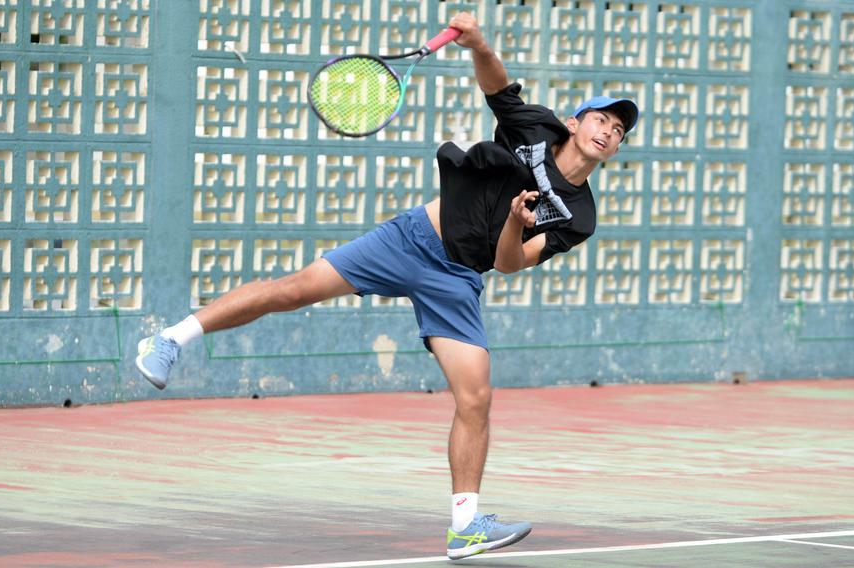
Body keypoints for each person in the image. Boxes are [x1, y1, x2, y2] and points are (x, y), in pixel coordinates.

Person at [136, 12, 637, 560]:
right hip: (413, 238)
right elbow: (497, 83)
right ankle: (172, 338)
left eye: (618, 130)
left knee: (476, 395)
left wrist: (517, 222)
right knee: (295, 289)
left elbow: (511, 265)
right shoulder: (535, 128)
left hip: (459, 278)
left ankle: (465, 526)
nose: (608, 131)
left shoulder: (580, 216)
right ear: (575, 120)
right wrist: (479, 42)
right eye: (602, 119)